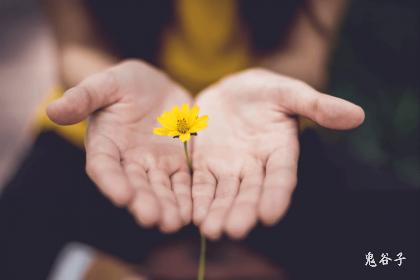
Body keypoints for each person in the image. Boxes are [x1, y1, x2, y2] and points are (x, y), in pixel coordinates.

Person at [0, 0, 365, 278]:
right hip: (114, 131)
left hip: (260, 133)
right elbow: (77, 45)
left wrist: (271, 87)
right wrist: (108, 86)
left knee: (390, 243)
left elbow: (305, 55)